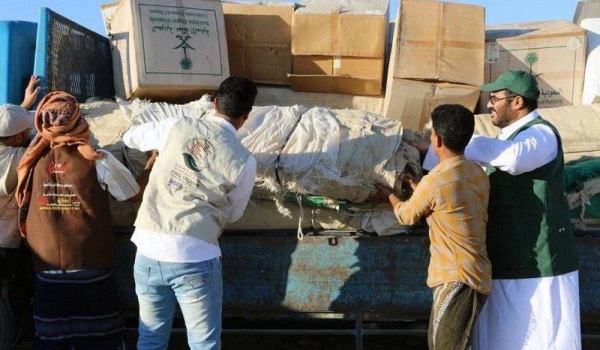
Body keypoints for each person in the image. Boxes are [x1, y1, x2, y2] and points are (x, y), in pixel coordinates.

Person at [416, 70, 581, 349]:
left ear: (517, 102)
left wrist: (464, 143)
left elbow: (513, 158)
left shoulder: (541, 134)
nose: (489, 104)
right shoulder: (502, 140)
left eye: (495, 98)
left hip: (539, 266)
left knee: (541, 339)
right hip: (504, 261)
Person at [122, 76, 258, 350]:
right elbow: (233, 214)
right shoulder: (245, 160)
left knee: (150, 338)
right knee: (204, 343)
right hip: (195, 256)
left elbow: (129, 137)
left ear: (215, 102)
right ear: (246, 116)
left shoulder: (177, 125)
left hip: (148, 248)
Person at [15, 91, 154, 349]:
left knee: (51, 339)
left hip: (46, 266)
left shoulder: (29, 160)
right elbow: (133, 195)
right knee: (101, 338)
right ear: (77, 119)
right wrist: (150, 165)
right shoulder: (96, 157)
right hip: (91, 262)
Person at [374, 104, 491, 350]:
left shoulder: (435, 181)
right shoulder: (477, 172)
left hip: (456, 278)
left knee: (443, 346)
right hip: (473, 274)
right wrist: (419, 189)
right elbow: (449, 206)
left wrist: (389, 196)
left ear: (437, 139)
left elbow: (406, 215)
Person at [0, 75, 40, 348]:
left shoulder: (8, 146)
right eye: (25, 132)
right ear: (16, 137)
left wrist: (24, 106)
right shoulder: (14, 159)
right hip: (4, 248)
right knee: (10, 305)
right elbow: (41, 143)